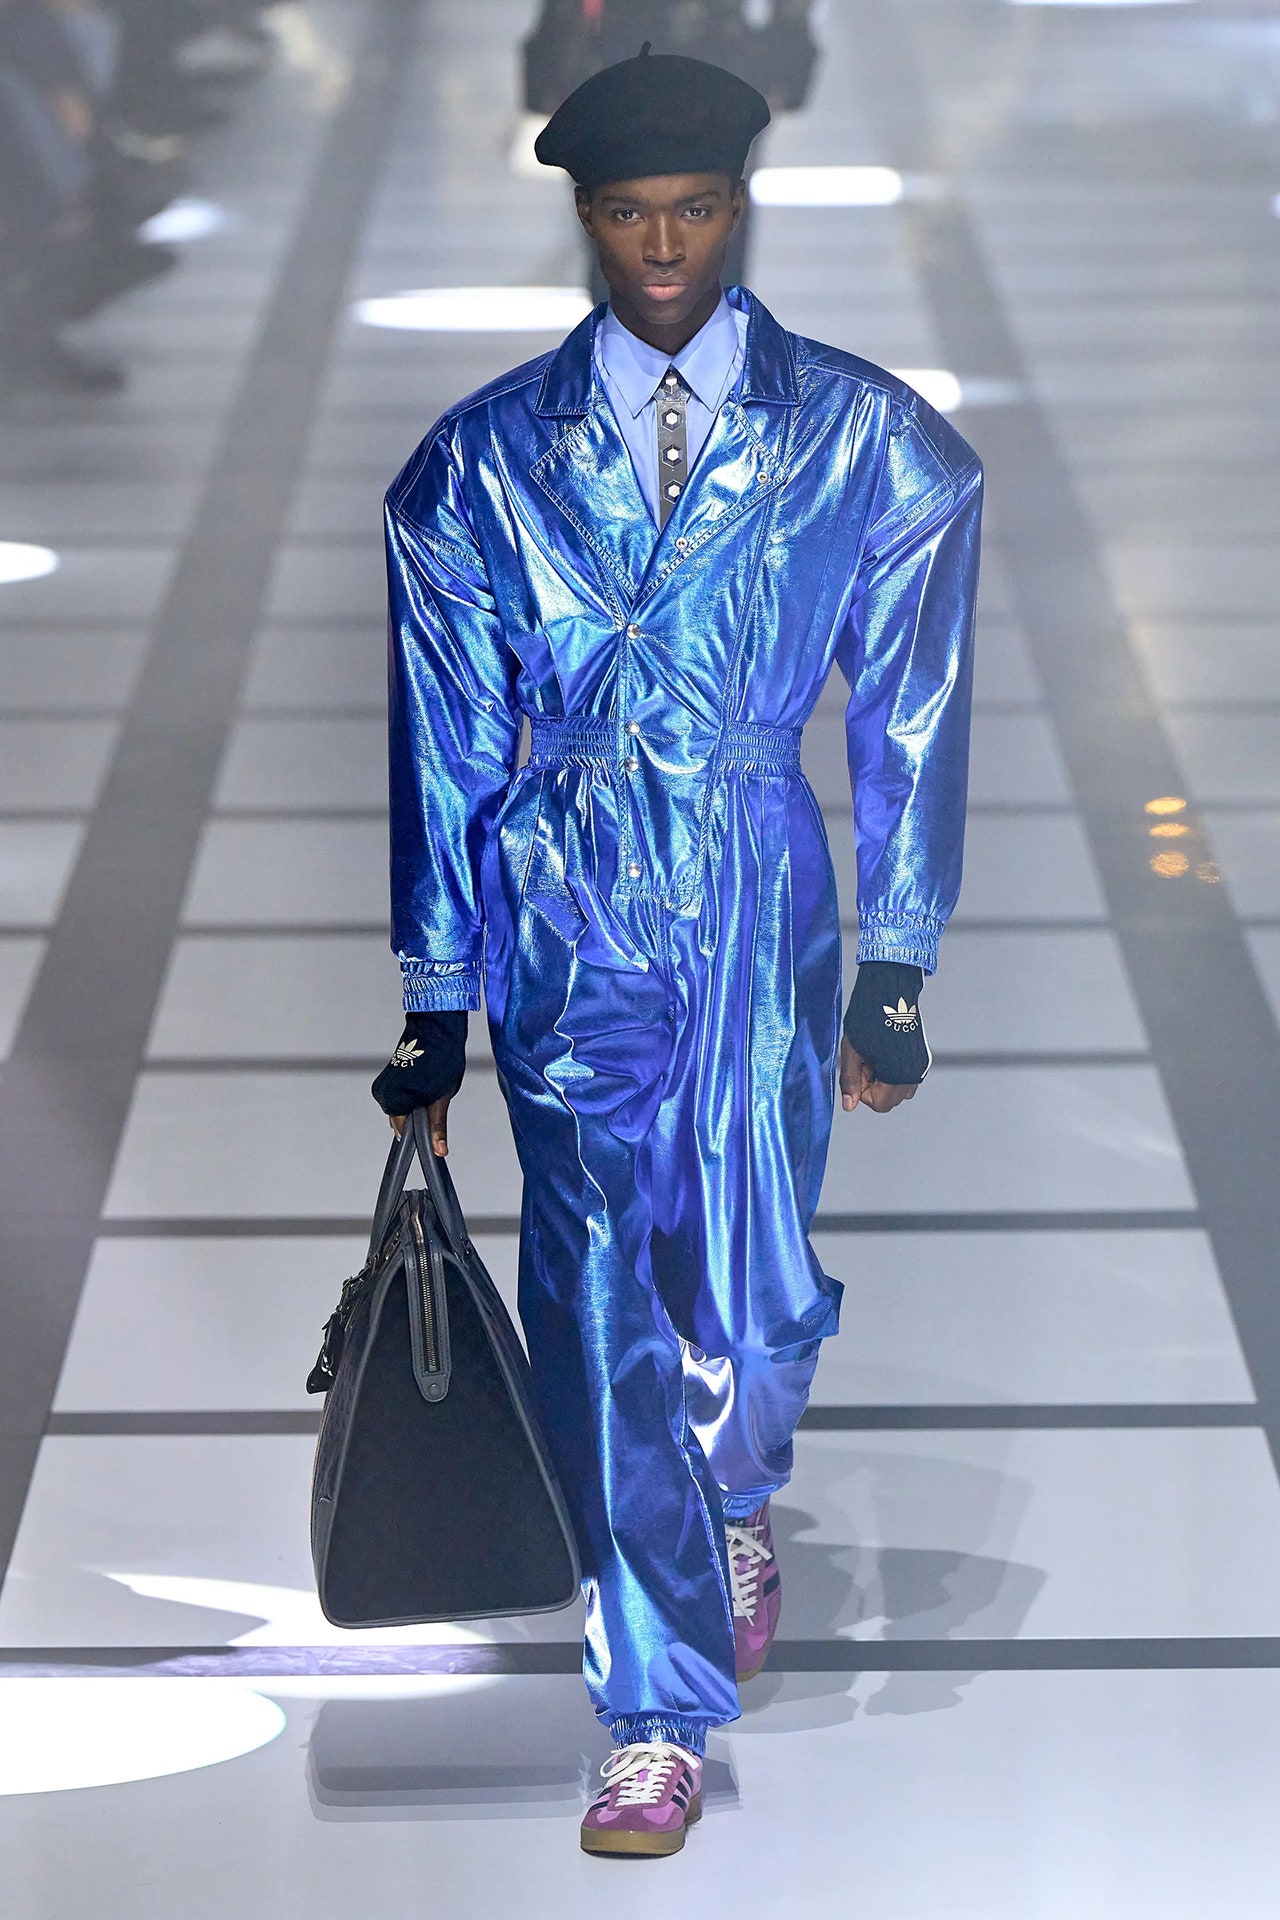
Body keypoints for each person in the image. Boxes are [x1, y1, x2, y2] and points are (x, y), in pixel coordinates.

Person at [372, 46, 980, 1859]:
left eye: (694, 211)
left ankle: (736, 1486)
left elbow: (913, 709)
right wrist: (434, 993)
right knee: (594, 1300)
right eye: (631, 214)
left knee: (756, 1285)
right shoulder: (480, 460)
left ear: (738, 209)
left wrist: (898, 959)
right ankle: (652, 1709)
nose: (662, 247)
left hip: (753, 883)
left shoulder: (866, 435)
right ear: (584, 216)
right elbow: (445, 732)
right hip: (564, 899)